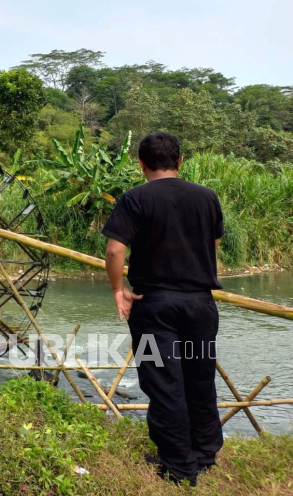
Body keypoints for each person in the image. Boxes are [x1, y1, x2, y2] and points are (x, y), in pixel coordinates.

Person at [101, 131, 224, 487]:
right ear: (180, 161)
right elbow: (213, 242)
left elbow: (114, 251)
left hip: (154, 307)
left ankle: (178, 466)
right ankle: (204, 454)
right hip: (201, 305)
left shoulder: (135, 198)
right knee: (200, 377)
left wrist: (118, 290)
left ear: (141, 164)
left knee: (163, 380)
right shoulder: (207, 197)